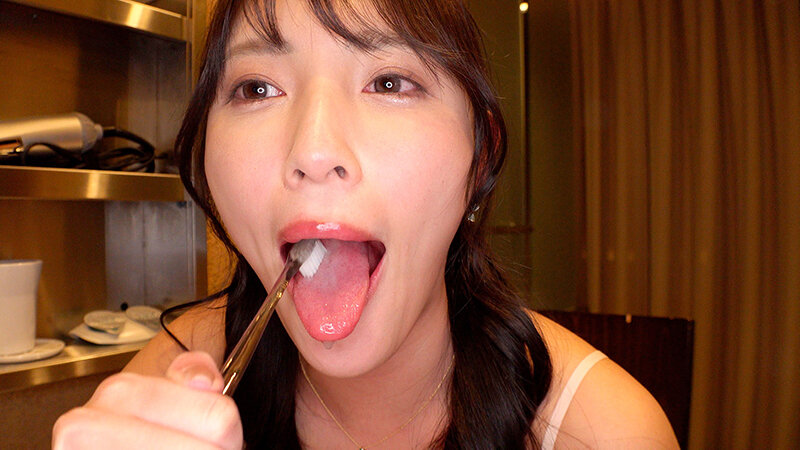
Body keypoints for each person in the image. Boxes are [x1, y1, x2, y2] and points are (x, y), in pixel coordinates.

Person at [53, 0, 678, 448]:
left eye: (388, 81)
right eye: (257, 89)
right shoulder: (181, 371)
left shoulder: (603, 431)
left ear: (480, 157)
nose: (313, 150)